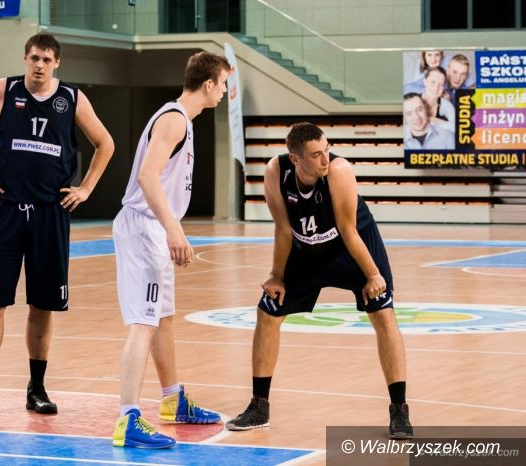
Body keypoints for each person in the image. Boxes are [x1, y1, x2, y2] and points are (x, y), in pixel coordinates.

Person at [0, 33, 114, 416]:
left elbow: (106, 143)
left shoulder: (71, 98)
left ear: (57, 63)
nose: (40, 65)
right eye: (35, 58)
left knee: (43, 304)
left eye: (47, 60)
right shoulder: (1, 91)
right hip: (6, 209)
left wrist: (86, 188)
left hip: (50, 213)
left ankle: (36, 389)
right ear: (25, 58)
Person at [225, 122, 414, 439]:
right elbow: (283, 228)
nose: (325, 159)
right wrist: (277, 276)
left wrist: (373, 275)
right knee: (268, 312)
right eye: (316, 155)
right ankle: (259, 406)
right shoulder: (276, 171)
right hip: (306, 251)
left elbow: (348, 230)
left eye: (327, 150)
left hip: (351, 248)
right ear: (295, 159)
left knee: (384, 315)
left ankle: (399, 410)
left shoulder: (339, 171)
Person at [111, 51, 232, 449]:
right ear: (209, 84)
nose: (225, 91)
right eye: (223, 83)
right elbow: (147, 176)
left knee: (162, 318)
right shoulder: (174, 119)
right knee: (143, 322)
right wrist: (173, 228)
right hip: (144, 228)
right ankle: (128, 418)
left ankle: (172, 400)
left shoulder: (183, 120)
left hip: (153, 229)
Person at [421, 67, 455, 132]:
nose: (436, 88)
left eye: (441, 84)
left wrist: (435, 121)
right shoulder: (413, 100)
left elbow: (458, 128)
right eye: (433, 82)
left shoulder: (445, 105)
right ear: (424, 82)